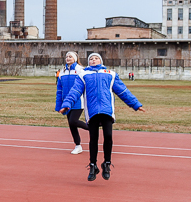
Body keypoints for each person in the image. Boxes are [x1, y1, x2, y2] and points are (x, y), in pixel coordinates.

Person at [60, 52, 146, 181]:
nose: (93, 60)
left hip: (107, 110)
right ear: (88, 62)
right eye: (91, 59)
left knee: (108, 136)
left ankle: (106, 163)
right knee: (93, 138)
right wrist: (67, 104)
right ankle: (93, 165)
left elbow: (123, 91)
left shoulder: (110, 74)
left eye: (96, 58)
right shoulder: (83, 74)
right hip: (92, 111)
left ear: (100, 61)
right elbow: (75, 91)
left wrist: (135, 104)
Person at [55, 51, 89, 155]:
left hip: (78, 101)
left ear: (75, 58)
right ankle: (78, 146)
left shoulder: (80, 70)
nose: (68, 58)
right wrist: (59, 105)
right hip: (66, 102)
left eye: (70, 56)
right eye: (67, 57)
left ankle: (92, 127)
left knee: (73, 121)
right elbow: (59, 89)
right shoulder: (62, 72)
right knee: (71, 124)